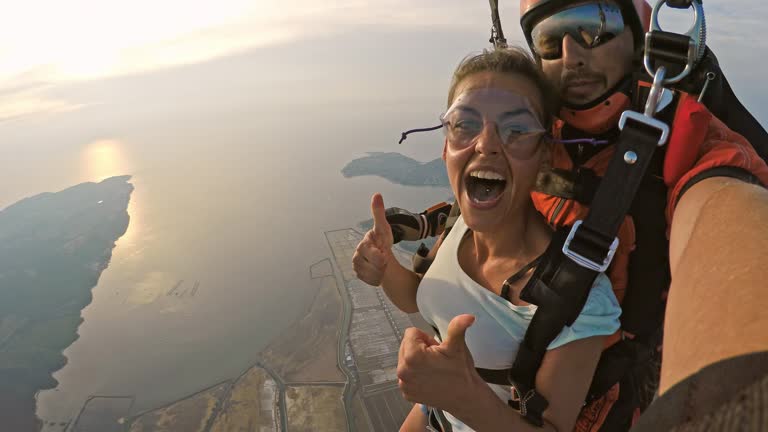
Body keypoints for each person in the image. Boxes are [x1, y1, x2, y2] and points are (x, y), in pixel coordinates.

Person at [386, 0, 768, 430]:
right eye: (550, 38)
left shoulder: (687, 147)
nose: (572, 56)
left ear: (637, 36)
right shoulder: (529, 132)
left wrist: (742, 399)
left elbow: (728, 222)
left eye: (594, 25)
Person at [355, 47, 623, 432]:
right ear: (446, 145)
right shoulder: (458, 223)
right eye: (464, 124)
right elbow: (420, 297)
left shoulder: (579, 297)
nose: (486, 144)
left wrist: (462, 397)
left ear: (545, 154)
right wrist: (385, 268)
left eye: (516, 130)